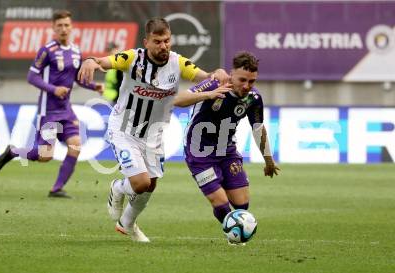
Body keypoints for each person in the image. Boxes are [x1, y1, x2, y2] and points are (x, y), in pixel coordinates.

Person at [78, 17, 229, 242]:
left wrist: (215, 73)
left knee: (152, 184)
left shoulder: (178, 63)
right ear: (146, 42)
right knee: (141, 183)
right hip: (124, 129)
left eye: (167, 41)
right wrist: (91, 61)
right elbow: (102, 61)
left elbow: (205, 76)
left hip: (154, 134)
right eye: (157, 42)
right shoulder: (131, 58)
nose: (164, 46)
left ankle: (127, 224)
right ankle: (118, 188)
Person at [0, 10, 103, 198]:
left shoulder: (76, 51)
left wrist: (95, 86)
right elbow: (31, 77)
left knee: (76, 145)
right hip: (49, 110)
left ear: (71, 27)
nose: (63, 29)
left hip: (66, 110)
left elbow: (78, 78)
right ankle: (13, 151)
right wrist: (54, 89)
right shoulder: (47, 50)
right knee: (45, 156)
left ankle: (57, 189)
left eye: (66, 25)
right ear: (53, 28)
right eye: (59, 25)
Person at [174, 51, 280, 238]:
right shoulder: (215, 84)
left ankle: (236, 229)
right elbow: (178, 100)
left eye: (252, 81)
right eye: (242, 80)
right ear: (232, 74)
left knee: (242, 204)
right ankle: (235, 235)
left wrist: (268, 160)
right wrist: (209, 94)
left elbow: (258, 129)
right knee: (221, 203)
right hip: (199, 153)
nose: (247, 86)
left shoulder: (253, 98)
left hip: (227, 151)